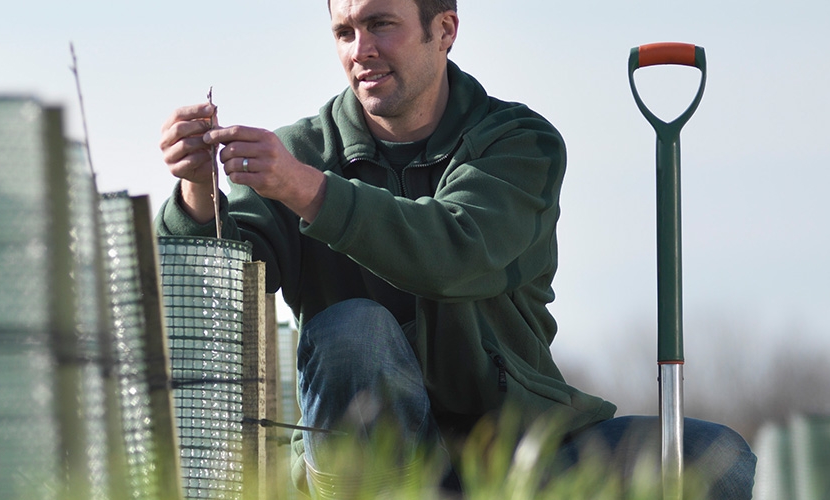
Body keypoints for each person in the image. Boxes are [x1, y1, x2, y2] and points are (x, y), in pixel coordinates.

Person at [154, 0, 755, 497]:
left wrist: (307, 192)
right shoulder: (301, 153)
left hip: (517, 448)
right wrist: (197, 196)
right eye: (344, 31)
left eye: (381, 24)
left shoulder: (519, 145)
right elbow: (216, 297)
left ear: (444, 30)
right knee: (352, 332)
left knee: (715, 457)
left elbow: (455, 250)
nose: (360, 50)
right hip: (370, 463)